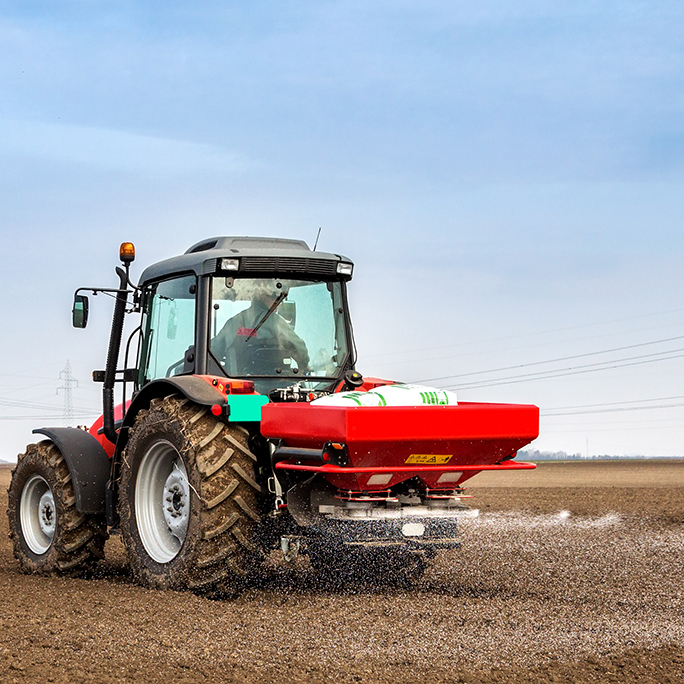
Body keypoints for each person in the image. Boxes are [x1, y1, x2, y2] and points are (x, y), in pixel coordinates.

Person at [211, 283, 310, 376]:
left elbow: (212, 351)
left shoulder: (232, 323)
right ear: (260, 296)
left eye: (280, 299)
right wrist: (303, 365)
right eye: (275, 297)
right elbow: (299, 347)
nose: (278, 303)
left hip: (235, 385)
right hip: (272, 384)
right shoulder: (275, 321)